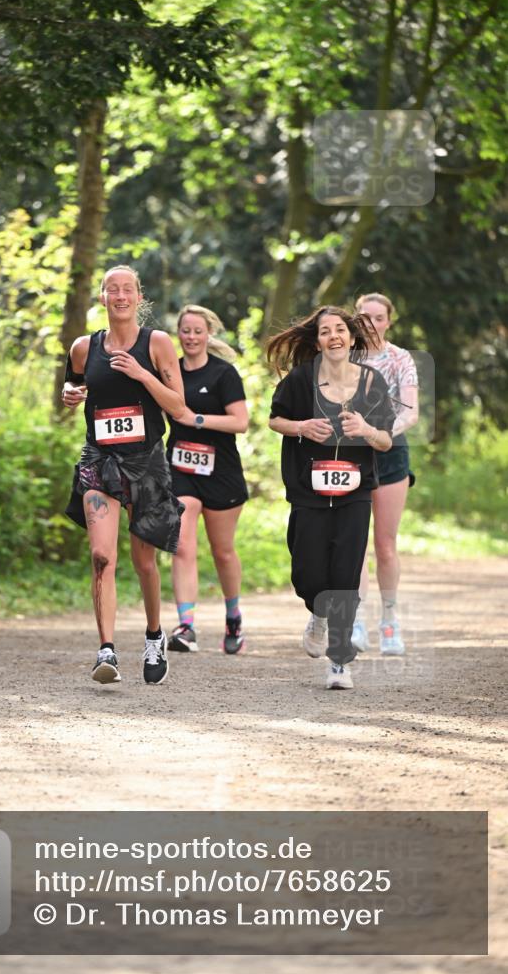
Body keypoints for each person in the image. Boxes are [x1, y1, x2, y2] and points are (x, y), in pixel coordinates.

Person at [63, 265, 185, 686]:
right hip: (99, 459)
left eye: (127, 289)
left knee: (144, 562)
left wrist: (141, 373)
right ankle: (107, 650)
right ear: (102, 297)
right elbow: (72, 388)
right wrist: (69, 395)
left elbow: (179, 407)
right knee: (101, 556)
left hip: (145, 461)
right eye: (111, 289)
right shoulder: (84, 348)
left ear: (138, 297)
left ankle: (154, 635)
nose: (119, 296)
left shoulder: (158, 343)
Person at [267, 306, 395, 690]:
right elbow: (274, 420)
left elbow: (386, 441)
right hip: (308, 490)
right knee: (307, 573)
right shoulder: (301, 379)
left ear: (352, 338)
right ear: (318, 340)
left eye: (340, 329)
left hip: (355, 492)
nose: (334, 336)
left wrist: (366, 429)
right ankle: (318, 614)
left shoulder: (371, 382)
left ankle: (339, 659)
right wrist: (302, 427)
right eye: (325, 331)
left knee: (345, 573)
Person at [165, 306, 249, 655]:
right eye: (185, 330)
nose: (191, 337)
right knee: (183, 546)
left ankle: (233, 617)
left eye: (198, 331)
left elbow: (240, 422)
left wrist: (195, 419)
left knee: (223, 552)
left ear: (208, 334)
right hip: (180, 469)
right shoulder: (169, 372)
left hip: (221, 472)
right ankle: (186, 626)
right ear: (178, 333)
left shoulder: (223, 374)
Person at [351, 293, 419, 656]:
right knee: (355, 542)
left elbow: (411, 411)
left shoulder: (400, 358)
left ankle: (390, 624)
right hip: (352, 453)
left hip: (391, 451)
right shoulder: (345, 356)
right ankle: (357, 621)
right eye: (365, 317)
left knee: (385, 545)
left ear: (388, 322)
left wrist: (384, 432)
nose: (371, 324)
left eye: (378, 318)